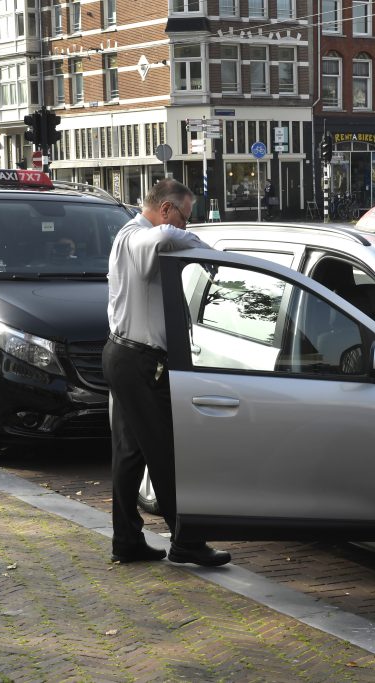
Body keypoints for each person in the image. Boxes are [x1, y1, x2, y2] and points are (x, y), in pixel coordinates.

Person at [103, 178, 232, 567]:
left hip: (126, 356)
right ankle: (186, 542)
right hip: (140, 361)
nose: (186, 228)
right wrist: (205, 249)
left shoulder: (134, 235)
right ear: (165, 210)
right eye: (184, 219)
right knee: (166, 453)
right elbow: (160, 239)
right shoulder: (137, 236)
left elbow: (165, 238)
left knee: (130, 455)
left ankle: (126, 539)